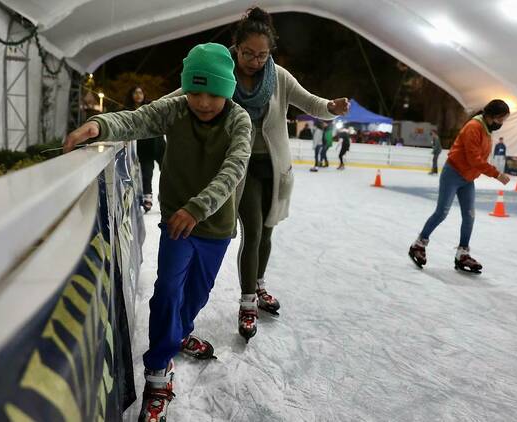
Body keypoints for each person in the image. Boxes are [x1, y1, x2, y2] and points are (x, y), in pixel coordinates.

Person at [62, 43, 252, 422]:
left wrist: (199, 208)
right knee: (167, 290)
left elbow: (235, 167)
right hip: (178, 223)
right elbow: (136, 119)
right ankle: (158, 373)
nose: (201, 101)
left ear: (227, 90)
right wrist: (100, 124)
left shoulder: (238, 121)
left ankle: (179, 333)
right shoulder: (177, 108)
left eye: (212, 92)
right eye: (194, 91)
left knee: (197, 294)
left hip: (214, 225)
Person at [227, 7, 349, 340]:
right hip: (241, 166)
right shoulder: (223, 73)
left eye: (262, 55)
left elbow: (309, 102)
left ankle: (259, 284)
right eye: (248, 53)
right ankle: (247, 301)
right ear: (235, 47)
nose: (255, 61)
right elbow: (184, 98)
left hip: (275, 166)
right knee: (252, 230)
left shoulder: (278, 76)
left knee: (267, 231)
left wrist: (331, 108)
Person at [409, 99, 511, 274]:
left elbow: (477, 160)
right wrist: (497, 174)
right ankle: (418, 244)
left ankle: (462, 253)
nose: (501, 123)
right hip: (453, 174)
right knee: (442, 212)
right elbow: (474, 159)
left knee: (469, 216)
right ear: (491, 115)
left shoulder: (486, 129)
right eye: (501, 119)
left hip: (467, 178)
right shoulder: (474, 127)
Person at [124, 86, 167, 212]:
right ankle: (147, 198)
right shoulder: (127, 111)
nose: (138, 95)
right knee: (147, 174)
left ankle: (164, 196)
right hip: (144, 148)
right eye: (135, 92)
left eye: (140, 92)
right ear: (131, 95)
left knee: (167, 172)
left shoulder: (149, 106)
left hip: (159, 144)